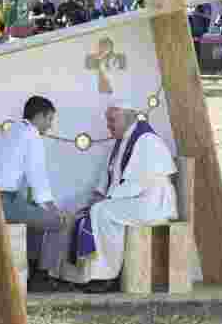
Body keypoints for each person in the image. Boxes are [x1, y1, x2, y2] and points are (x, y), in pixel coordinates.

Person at [44, 101, 178, 293]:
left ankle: (107, 277)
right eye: (108, 120)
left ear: (128, 116)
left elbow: (136, 183)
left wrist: (106, 199)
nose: (108, 125)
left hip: (152, 203)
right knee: (88, 211)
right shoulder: (123, 141)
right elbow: (109, 177)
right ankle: (84, 275)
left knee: (102, 212)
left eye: (112, 120)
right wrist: (98, 195)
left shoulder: (146, 140)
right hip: (134, 199)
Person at [0, 96, 65, 290]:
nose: (49, 125)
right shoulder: (31, 135)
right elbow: (37, 176)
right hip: (4, 202)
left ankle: (33, 270)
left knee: (35, 219)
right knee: (57, 223)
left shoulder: (11, 131)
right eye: (49, 119)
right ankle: (42, 276)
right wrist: (52, 208)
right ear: (39, 116)